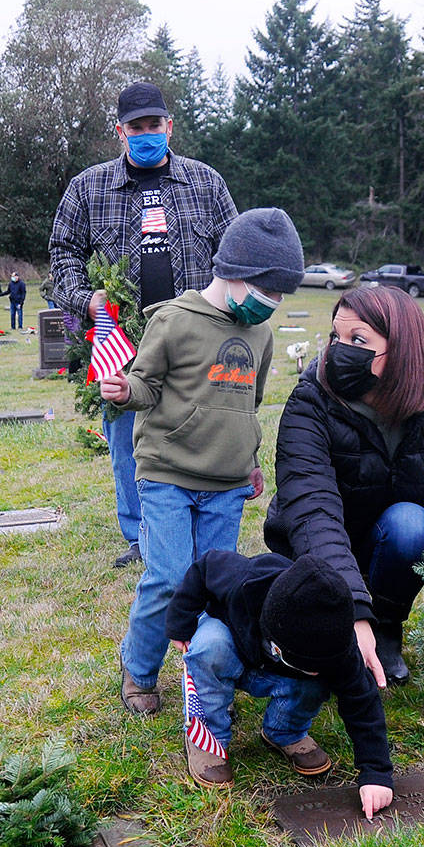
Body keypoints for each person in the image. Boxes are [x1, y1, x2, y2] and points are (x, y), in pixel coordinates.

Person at [98, 207, 304, 716]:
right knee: (169, 577)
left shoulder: (261, 334)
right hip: (168, 472)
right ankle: (139, 668)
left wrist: (250, 460)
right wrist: (125, 389)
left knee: (216, 588)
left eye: (281, 295)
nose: (272, 303)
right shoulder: (173, 320)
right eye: (268, 290)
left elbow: (247, 404)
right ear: (236, 272)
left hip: (227, 483)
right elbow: (146, 385)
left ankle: (207, 682)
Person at [50, 81, 239, 569]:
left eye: (155, 124)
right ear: (121, 132)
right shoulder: (88, 187)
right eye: (137, 127)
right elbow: (62, 253)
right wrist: (85, 299)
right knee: (127, 441)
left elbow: (235, 254)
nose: (147, 133)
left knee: (200, 428)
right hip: (123, 340)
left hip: (199, 338)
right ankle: (140, 537)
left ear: (169, 126)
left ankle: (198, 523)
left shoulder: (207, 183)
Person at [264, 285, 424, 688]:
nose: (338, 349)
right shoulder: (311, 400)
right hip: (315, 546)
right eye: (336, 336)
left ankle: (385, 631)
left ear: (400, 348)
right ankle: (343, 628)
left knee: (413, 525)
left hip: (388, 547)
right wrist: (352, 612)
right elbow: (313, 511)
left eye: (357, 340)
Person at [166, 550, 393, 819]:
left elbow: (363, 703)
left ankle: (285, 730)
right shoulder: (244, 581)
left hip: (281, 672)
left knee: (318, 683)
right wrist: (180, 621)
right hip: (230, 643)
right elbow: (204, 566)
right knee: (209, 648)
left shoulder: (339, 646)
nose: (315, 670)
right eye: (308, 665)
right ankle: (209, 737)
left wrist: (377, 774)